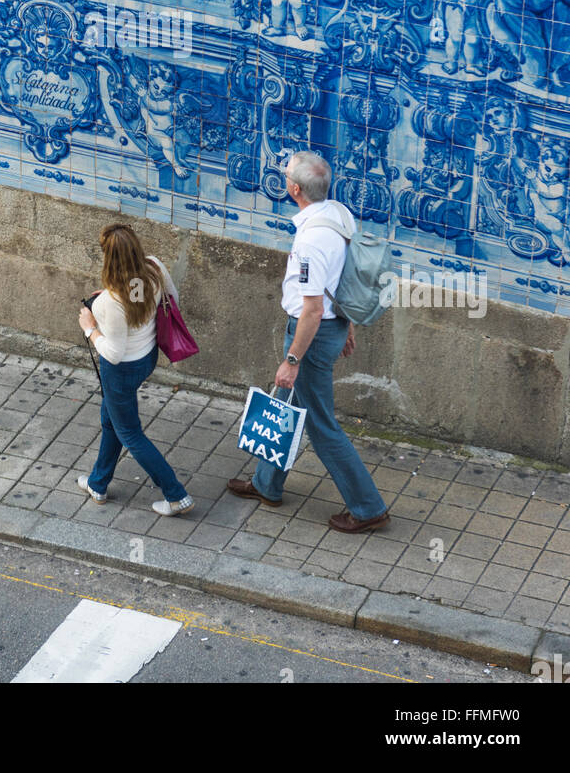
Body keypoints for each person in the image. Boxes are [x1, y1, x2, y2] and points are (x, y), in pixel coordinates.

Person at [228, 152, 390, 533]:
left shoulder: (311, 243)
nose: (284, 178)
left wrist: (292, 359)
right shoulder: (339, 215)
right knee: (287, 405)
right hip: (331, 328)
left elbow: (313, 310)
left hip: (311, 337)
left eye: (286, 175)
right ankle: (267, 485)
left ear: (294, 189)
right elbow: (347, 280)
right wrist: (347, 326)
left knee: (320, 425)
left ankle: (368, 507)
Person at [77, 223, 194, 516]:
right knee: (111, 419)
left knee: (129, 432)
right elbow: (172, 299)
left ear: (109, 258)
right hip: (147, 357)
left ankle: (176, 495)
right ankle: (98, 483)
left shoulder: (109, 303)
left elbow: (113, 354)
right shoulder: (153, 268)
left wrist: (91, 329)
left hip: (121, 370)